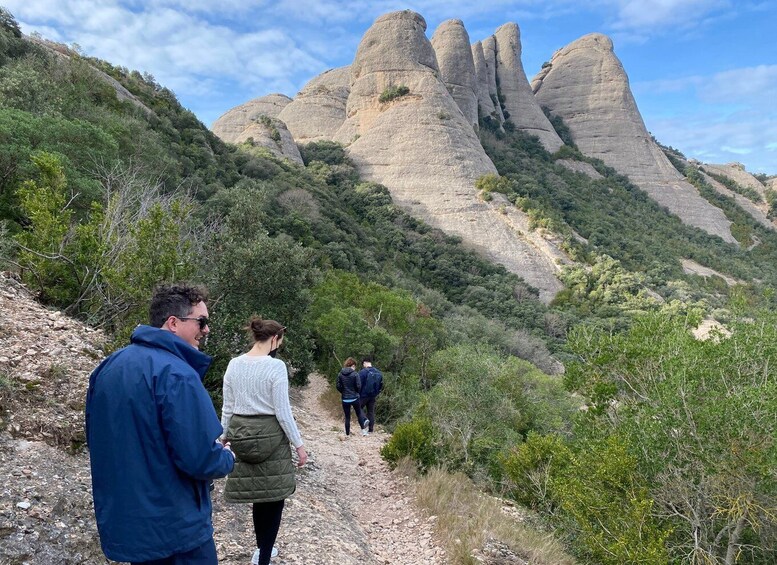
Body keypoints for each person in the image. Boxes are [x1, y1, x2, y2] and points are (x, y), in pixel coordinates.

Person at [85, 283, 235, 565]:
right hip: (177, 531)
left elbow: (99, 441)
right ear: (174, 323)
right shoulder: (178, 374)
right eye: (201, 321)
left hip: (133, 530)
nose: (206, 330)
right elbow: (200, 459)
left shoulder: (108, 367)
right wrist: (226, 457)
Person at [220, 316, 308, 565]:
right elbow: (282, 411)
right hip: (270, 436)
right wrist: (299, 445)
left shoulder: (233, 365)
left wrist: (223, 437)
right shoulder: (275, 367)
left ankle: (261, 549)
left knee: (258, 494)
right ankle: (265, 555)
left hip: (242, 434)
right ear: (274, 338)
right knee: (274, 496)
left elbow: (228, 407)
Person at [336, 357, 369, 436]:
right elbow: (358, 386)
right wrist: (356, 392)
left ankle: (347, 434)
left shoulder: (340, 374)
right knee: (359, 414)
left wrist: (343, 392)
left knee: (347, 417)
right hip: (355, 398)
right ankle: (364, 432)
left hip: (345, 399)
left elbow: (338, 386)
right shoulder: (355, 374)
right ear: (353, 365)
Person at [358, 356, 384, 435]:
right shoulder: (378, 372)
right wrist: (376, 394)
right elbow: (381, 385)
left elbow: (358, 384)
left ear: (364, 363)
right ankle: (371, 429)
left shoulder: (362, 372)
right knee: (371, 411)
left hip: (363, 395)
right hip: (373, 396)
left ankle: (365, 420)